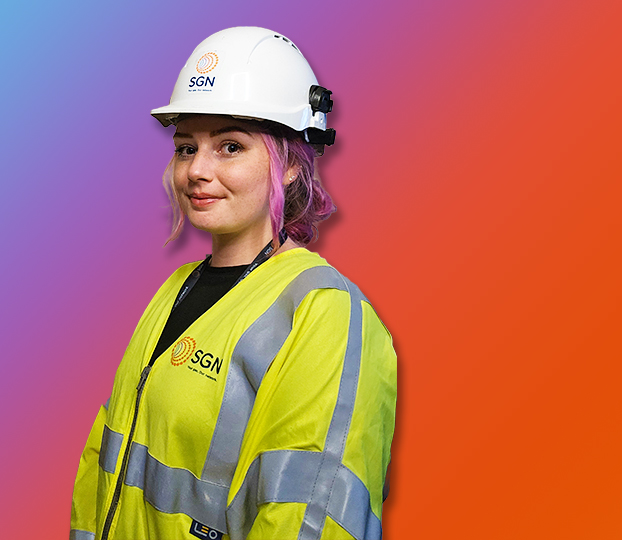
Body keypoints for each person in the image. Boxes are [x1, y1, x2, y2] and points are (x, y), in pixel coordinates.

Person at [70, 27, 397, 540]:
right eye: (185, 148)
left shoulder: (323, 312)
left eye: (229, 146)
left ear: (290, 163)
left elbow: (306, 519)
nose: (197, 169)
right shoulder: (177, 288)